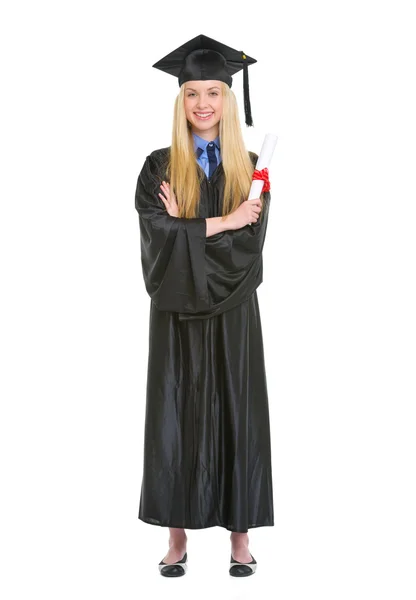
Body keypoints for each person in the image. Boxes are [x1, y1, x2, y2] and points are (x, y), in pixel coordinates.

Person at [134, 34, 274, 578]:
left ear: (227, 99)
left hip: (235, 312)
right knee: (175, 415)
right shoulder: (158, 167)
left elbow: (249, 252)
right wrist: (222, 223)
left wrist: (188, 232)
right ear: (180, 100)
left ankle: (240, 537)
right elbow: (156, 237)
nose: (202, 103)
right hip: (174, 315)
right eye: (192, 92)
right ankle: (176, 537)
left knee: (237, 411)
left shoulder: (253, 170)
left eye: (213, 91)